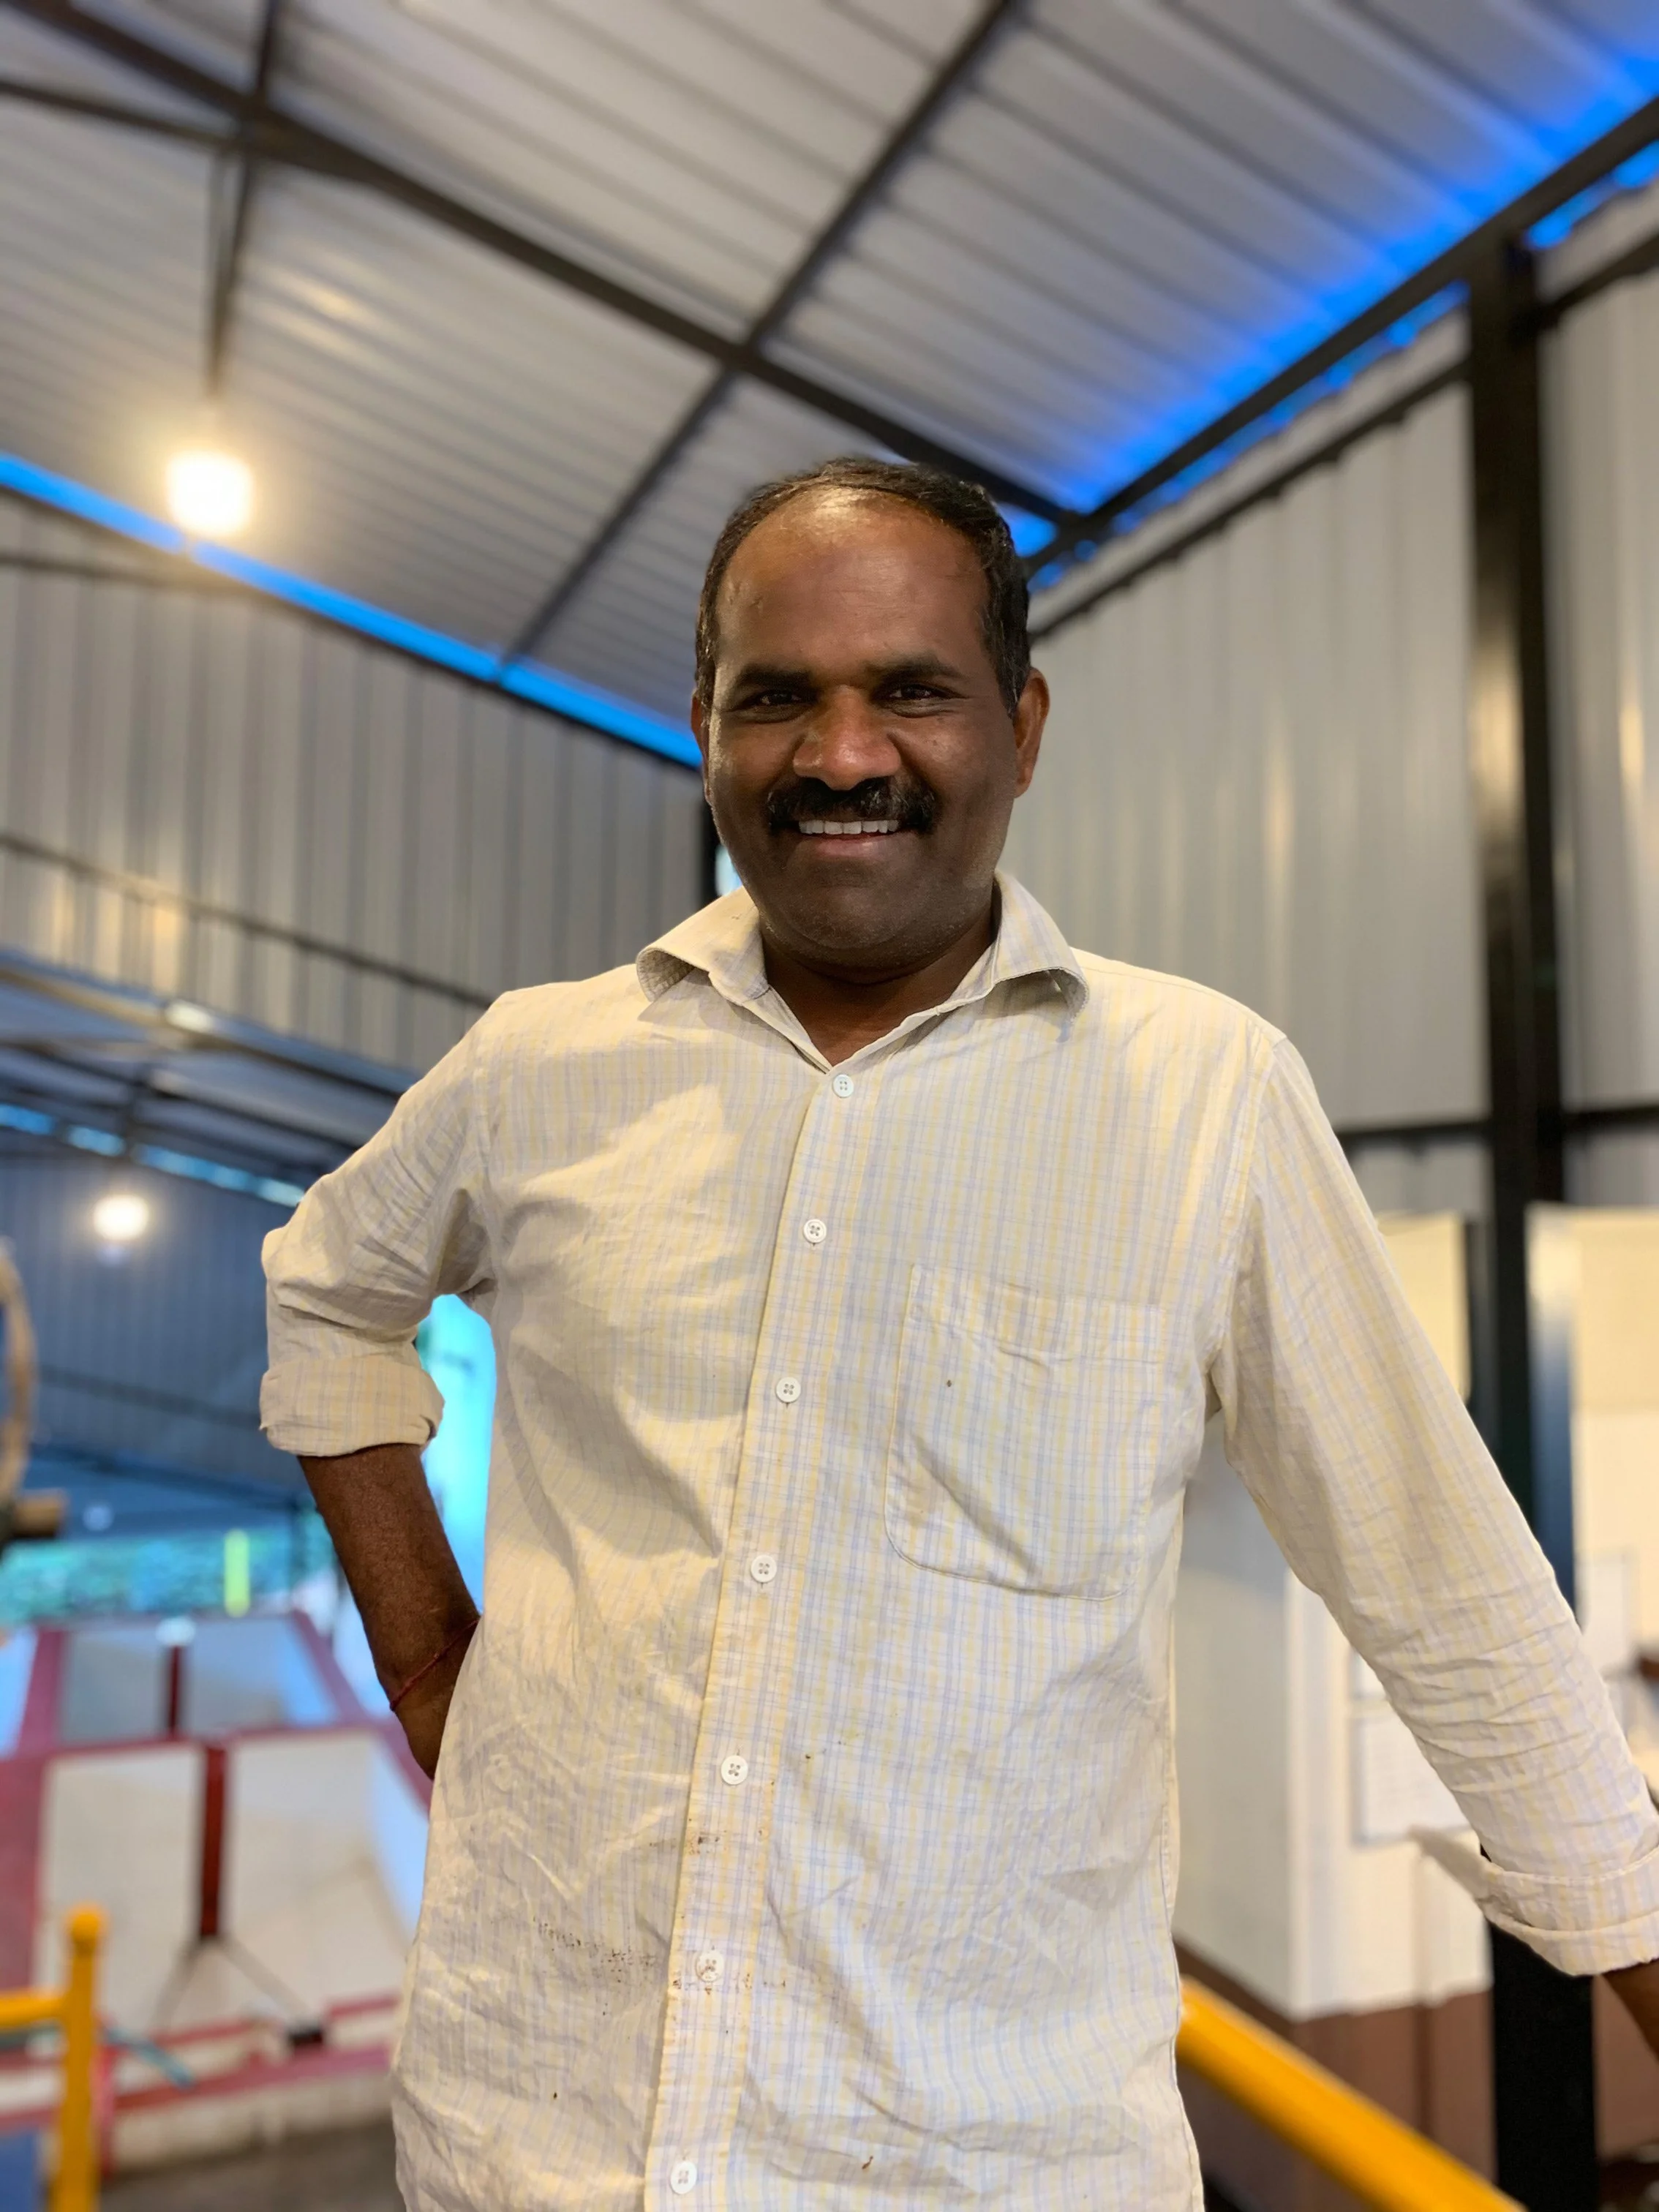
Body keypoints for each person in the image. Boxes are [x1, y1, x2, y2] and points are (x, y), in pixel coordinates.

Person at [263, 458, 1659, 2210]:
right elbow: (326, 1285)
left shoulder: (1199, 1096)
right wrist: (427, 1667)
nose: (842, 757)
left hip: (988, 2162)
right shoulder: (541, 1069)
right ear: (704, 722)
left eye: (912, 689)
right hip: (527, 2139)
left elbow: (1438, 1574)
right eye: (778, 697)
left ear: (1023, 720)